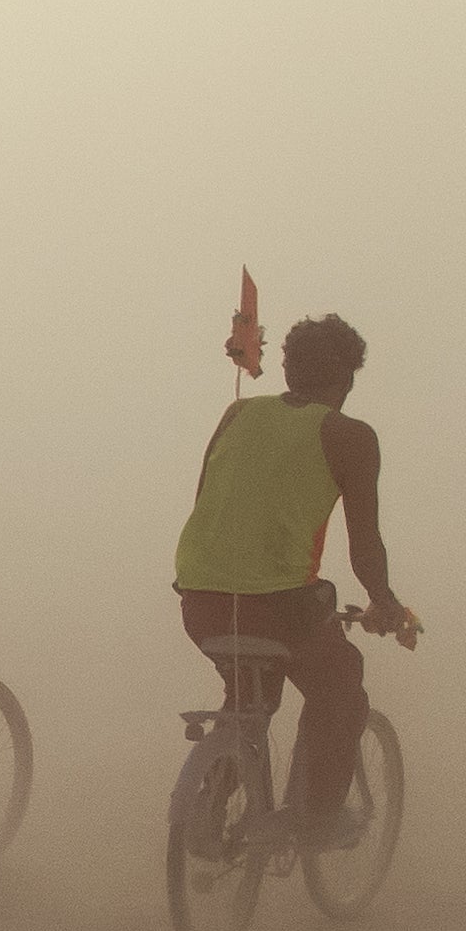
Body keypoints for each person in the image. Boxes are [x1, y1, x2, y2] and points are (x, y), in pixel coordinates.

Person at [171, 313, 419, 849]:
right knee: (341, 685)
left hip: (200, 600)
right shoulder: (349, 435)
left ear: (287, 369)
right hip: (279, 607)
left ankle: (209, 809)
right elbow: (364, 546)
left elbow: (205, 501)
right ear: (348, 378)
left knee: (248, 700)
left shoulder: (236, 412)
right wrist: (386, 602)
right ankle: (315, 817)